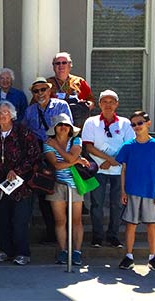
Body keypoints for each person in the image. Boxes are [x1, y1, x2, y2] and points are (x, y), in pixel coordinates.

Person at [0, 100, 41, 266]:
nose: (2, 116)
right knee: (2, 219)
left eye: (5, 112)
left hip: (22, 186)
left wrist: (18, 171)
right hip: (2, 185)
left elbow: (34, 155)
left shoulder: (23, 132)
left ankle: (22, 253)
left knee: (19, 220)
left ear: (12, 115)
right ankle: (5, 250)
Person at [82, 90, 135, 248]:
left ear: (117, 104)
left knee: (117, 204)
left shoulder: (125, 123)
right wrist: (106, 160)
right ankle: (97, 237)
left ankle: (113, 236)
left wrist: (113, 161)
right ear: (99, 104)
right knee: (96, 203)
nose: (108, 105)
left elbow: (129, 146)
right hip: (98, 169)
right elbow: (88, 147)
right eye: (104, 101)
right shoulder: (91, 122)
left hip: (119, 171)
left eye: (111, 101)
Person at [116, 110, 155, 272]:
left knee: (151, 224)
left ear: (148, 123)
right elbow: (123, 170)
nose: (136, 126)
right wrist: (123, 191)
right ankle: (129, 256)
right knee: (130, 224)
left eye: (139, 123)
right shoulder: (127, 146)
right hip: (132, 190)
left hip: (151, 192)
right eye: (133, 124)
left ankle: (152, 258)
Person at [24, 76, 72, 244]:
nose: (40, 93)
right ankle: (51, 231)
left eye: (43, 89)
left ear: (49, 90)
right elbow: (26, 133)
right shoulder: (30, 111)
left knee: (61, 193)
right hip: (39, 155)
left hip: (58, 151)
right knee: (44, 194)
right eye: (36, 91)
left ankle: (67, 235)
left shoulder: (61, 106)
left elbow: (69, 129)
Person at [43, 113, 88, 266]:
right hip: (56, 184)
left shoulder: (76, 140)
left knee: (77, 220)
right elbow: (56, 165)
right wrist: (76, 160)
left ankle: (76, 251)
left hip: (75, 184)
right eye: (60, 125)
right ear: (54, 128)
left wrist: (59, 149)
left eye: (66, 125)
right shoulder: (48, 143)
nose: (63, 128)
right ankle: (63, 251)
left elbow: (68, 158)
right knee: (60, 220)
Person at [47, 52, 95, 123]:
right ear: (53, 66)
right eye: (57, 63)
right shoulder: (46, 84)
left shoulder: (80, 81)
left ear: (70, 65)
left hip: (77, 123)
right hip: (55, 125)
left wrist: (87, 105)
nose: (61, 66)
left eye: (64, 63)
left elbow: (91, 100)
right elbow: (37, 104)